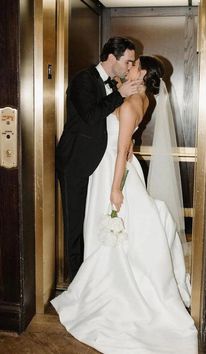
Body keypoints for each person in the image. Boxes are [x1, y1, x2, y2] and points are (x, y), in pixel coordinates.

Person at [52, 56, 198, 353]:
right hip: (111, 166)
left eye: (133, 65)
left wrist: (116, 189)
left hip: (113, 172)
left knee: (115, 230)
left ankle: (113, 290)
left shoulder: (132, 103)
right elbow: (126, 132)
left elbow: (120, 151)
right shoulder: (142, 99)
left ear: (142, 72)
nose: (128, 68)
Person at [56, 37, 141, 281]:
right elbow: (91, 116)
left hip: (98, 164)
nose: (129, 66)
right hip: (75, 162)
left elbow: (111, 121)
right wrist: (120, 94)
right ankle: (75, 282)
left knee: (90, 222)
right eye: (128, 61)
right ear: (112, 58)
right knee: (75, 225)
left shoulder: (113, 83)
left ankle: (92, 276)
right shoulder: (83, 79)